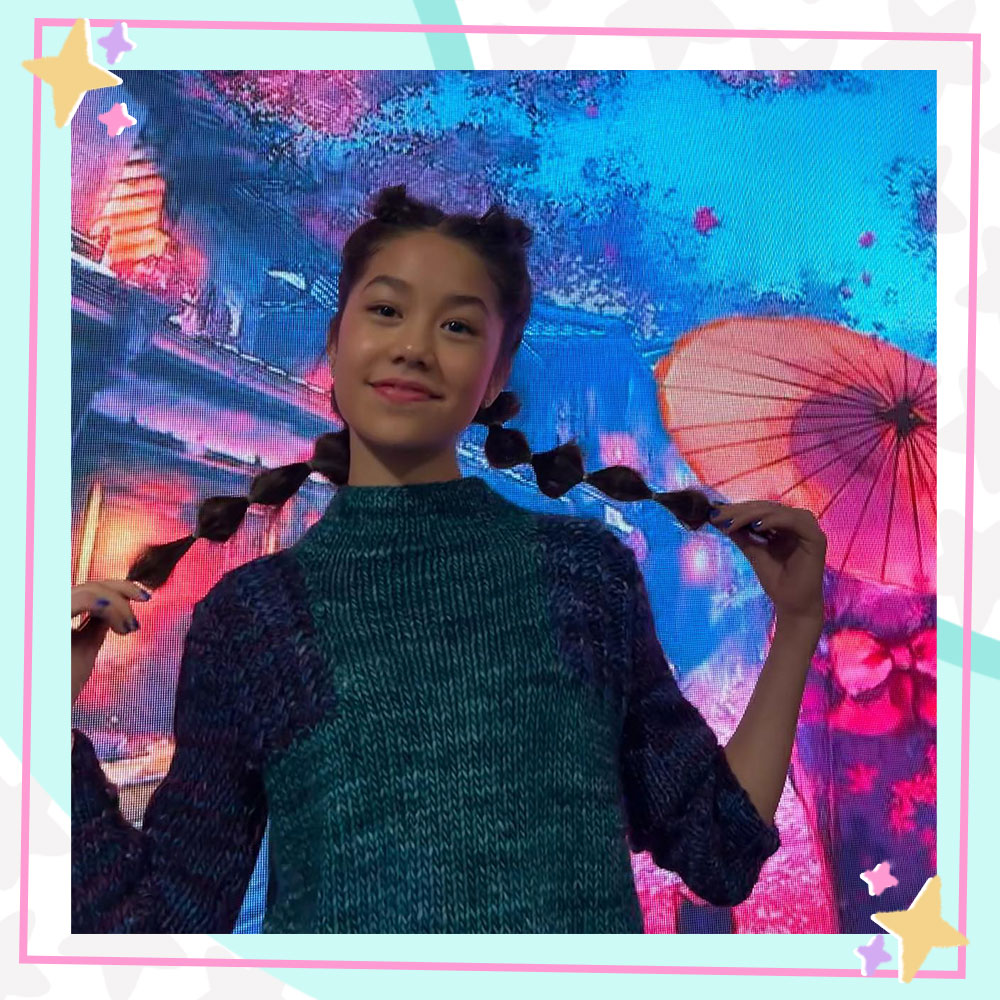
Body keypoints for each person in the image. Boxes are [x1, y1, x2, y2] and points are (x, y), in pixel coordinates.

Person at [71, 184, 827, 934]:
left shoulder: (584, 576)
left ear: (497, 377)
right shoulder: (249, 619)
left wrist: (796, 626)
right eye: (386, 310)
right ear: (336, 343)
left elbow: (720, 850)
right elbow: (156, 931)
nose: (413, 345)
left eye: (458, 326)